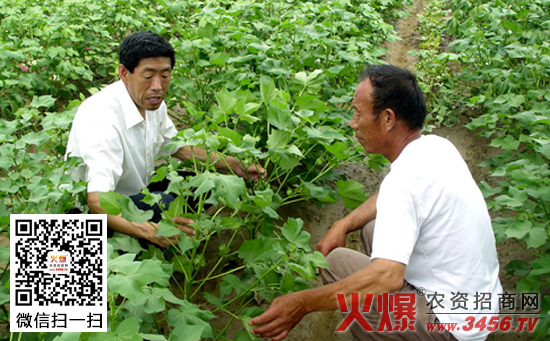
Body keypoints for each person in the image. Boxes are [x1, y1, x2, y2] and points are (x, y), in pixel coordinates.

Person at [249, 65, 502, 341]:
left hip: (454, 327)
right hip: (481, 306)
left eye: (358, 113)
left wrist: (302, 303)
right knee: (371, 229)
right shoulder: (437, 147)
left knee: (336, 263)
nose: (353, 123)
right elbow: (388, 200)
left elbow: (387, 277)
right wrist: (342, 224)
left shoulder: (403, 181)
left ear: (388, 119)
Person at [65, 31, 265, 248]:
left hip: (138, 190)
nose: (158, 86)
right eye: (148, 76)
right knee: (167, 202)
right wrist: (148, 230)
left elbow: (178, 148)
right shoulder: (101, 118)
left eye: (165, 75)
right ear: (124, 73)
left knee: (205, 185)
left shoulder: (150, 103)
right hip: (98, 215)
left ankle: (167, 230)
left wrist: (234, 166)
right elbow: (96, 201)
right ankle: (142, 244)